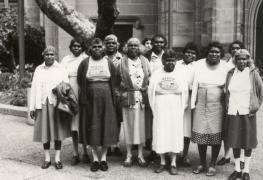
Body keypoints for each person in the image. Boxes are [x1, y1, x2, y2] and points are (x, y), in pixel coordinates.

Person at [77, 38, 119, 172]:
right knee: (93, 126)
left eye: (99, 47)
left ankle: (104, 158)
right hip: (90, 98)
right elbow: (80, 79)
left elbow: (115, 80)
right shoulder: (85, 63)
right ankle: (95, 158)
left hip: (106, 97)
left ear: (103, 48)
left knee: (106, 126)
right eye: (94, 47)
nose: (97, 49)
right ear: (90, 48)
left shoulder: (108, 62)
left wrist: (113, 98)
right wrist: (84, 97)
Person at [191, 41, 232, 176]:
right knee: (201, 133)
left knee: (215, 134)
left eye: (217, 52)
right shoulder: (198, 64)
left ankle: (213, 164)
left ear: (221, 54)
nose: (214, 54)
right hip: (201, 102)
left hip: (217, 103)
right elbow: (191, 82)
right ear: (207, 53)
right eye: (211, 51)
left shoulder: (226, 67)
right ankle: (203, 163)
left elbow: (230, 85)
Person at [30, 46, 71, 169]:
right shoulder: (39, 69)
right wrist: (32, 107)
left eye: (52, 54)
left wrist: (61, 93)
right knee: (45, 132)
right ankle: (47, 158)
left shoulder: (61, 69)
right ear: (43, 55)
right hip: (42, 104)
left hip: (56, 104)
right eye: (47, 54)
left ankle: (58, 158)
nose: (49, 56)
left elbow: (66, 86)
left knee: (58, 132)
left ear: (55, 55)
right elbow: (34, 88)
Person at [148, 49, 188, 175]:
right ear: (163, 61)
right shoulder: (156, 73)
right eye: (167, 60)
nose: (170, 63)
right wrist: (154, 107)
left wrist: (182, 108)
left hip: (175, 106)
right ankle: (163, 162)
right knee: (161, 132)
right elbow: (150, 91)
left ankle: (173, 162)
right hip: (160, 106)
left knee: (174, 132)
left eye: (172, 60)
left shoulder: (180, 74)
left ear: (176, 61)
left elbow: (185, 91)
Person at [225, 49, 263, 180]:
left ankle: (246, 170)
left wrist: (255, 106)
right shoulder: (230, 73)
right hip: (233, 111)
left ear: (248, 60)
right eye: (239, 59)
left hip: (247, 112)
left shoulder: (253, 74)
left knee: (247, 141)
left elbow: (260, 91)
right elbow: (227, 92)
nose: (241, 61)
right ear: (235, 60)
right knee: (234, 141)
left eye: (244, 59)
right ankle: (237, 169)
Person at [115, 37, 151, 167]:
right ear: (127, 47)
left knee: (141, 127)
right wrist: (120, 92)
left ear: (139, 47)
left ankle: (141, 155)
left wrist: (146, 86)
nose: (133, 48)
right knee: (129, 126)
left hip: (142, 97)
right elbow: (116, 81)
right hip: (128, 97)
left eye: (136, 45)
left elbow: (150, 77)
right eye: (131, 46)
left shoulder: (145, 61)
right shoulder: (122, 62)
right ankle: (129, 155)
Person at [60, 39, 89, 165]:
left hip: (83, 92)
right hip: (70, 93)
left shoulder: (87, 59)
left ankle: (86, 152)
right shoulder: (65, 60)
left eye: (78, 45)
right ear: (71, 47)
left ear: (82, 47)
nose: (76, 48)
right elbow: (61, 77)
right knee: (74, 126)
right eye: (74, 46)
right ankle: (75, 153)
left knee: (85, 124)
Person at [217, 40, 245, 167]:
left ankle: (242, 158)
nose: (235, 50)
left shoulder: (246, 65)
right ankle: (227, 155)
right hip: (227, 100)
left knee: (241, 130)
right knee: (227, 129)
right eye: (233, 48)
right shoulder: (225, 65)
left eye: (238, 48)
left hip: (242, 102)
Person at [144, 34, 167, 162]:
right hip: (150, 92)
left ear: (165, 44)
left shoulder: (168, 55)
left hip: (165, 93)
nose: (159, 44)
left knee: (163, 121)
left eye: (161, 42)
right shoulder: (146, 57)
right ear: (152, 43)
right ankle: (152, 149)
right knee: (151, 121)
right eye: (156, 42)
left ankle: (164, 149)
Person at [176, 42, 198, 166]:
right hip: (177, 98)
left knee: (186, 129)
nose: (190, 54)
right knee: (176, 126)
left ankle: (184, 155)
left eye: (193, 53)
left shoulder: (198, 66)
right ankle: (174, 153)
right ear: (183, 53)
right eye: (188, 52)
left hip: (190, 100)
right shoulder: (177, 64)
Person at [104, 34, 123, 157]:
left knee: (117, 119)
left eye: (113, 43)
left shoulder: (122, 58)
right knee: (106, 118)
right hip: (105, 91)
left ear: (117, 45)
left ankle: (115, 144)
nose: (111, 45)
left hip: (118, 91)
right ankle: (107, 144)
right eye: (108, 43)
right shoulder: (101, 58)